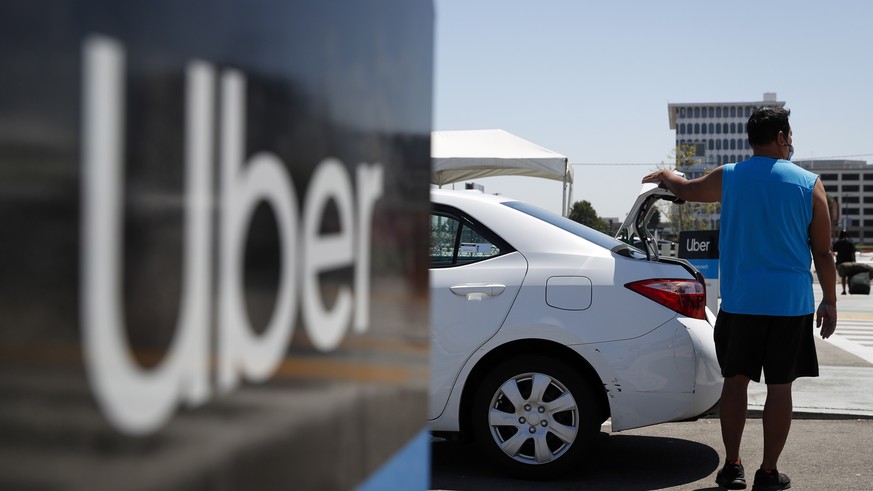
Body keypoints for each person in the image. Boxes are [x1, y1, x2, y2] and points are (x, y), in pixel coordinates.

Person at [642, 106, 837, 491]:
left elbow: (685, 190)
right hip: (789, 304)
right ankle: (768, 473)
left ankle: (733, 467)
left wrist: (666, 174)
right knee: (781, 388)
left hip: (741, 302)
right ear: (781, 136)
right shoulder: (809, 183)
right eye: (790, 134)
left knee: (735, 384)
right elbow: (824, 253)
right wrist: (830, 300)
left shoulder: (729, 177)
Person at [833, 230, 856, 295]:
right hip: (849, 262)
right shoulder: (850, 242)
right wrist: (854, 261)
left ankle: (844, 290)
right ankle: (850, 289)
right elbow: (853, 253)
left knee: (843, 276)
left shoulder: (838, 242)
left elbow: (833, 251)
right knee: (850, 276)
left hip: (841, 262)